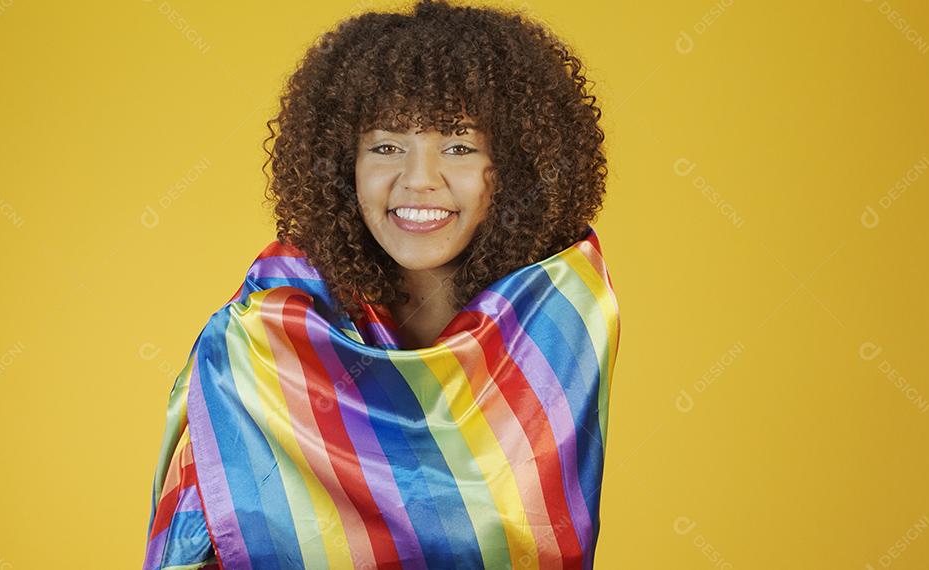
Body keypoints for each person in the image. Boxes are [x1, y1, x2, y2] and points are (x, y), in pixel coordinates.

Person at [142, 1, 618, 568]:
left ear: (516, 166)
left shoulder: (561, 314)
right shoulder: (257, 337)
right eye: (386, 147)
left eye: (459, 146)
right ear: (343, 165)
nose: (419, 180)